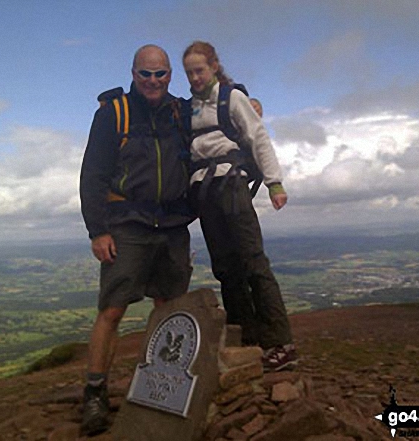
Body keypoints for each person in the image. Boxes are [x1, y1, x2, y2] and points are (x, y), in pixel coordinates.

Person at [79, 44, 194, 435]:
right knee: (112, 310)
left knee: (168, 310)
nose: (152, 81)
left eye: (160, 73)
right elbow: (92, 174)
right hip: (126, 223)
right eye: (145, 74)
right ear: (132, 73)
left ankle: (163, 390)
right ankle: (95, 393)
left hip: (173, 224)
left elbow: (218, 113)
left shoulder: (182, 112)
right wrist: (98, 230)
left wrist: (247, 101)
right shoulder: (113, 113)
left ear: (169, 76)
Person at [182, 41, 298, 371]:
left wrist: (274, 182)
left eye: (199, 70)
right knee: (226, 268)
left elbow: (257, 136)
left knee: (252, 263)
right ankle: (247, 340)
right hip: (206, 192)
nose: (195, 77)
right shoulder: (189, 107)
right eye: (190, 72)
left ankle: (281, 344)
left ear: (214, 66)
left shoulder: (232, 98)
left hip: (232, 185)